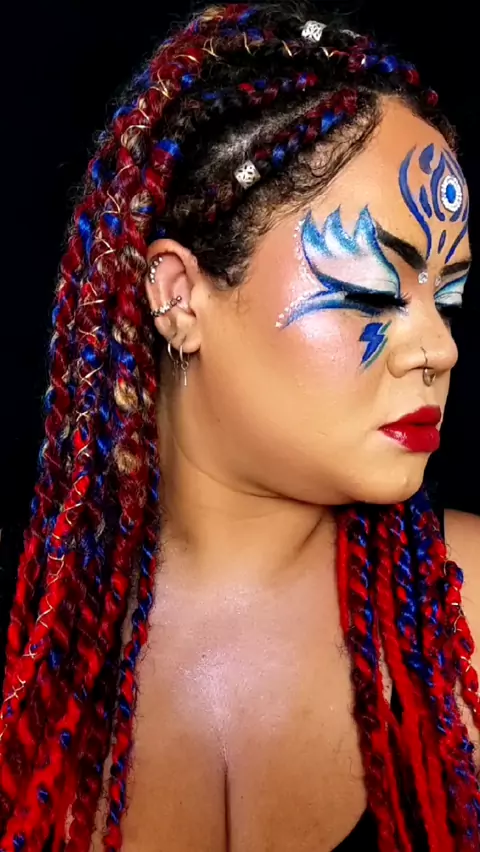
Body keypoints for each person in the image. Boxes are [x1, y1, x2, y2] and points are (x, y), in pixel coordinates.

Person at [0, 2, 479, 850]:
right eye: (377, 292)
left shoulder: (466, 609)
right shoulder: (33, 635)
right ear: (179, 296)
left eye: (449, 297)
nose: (439, 346)